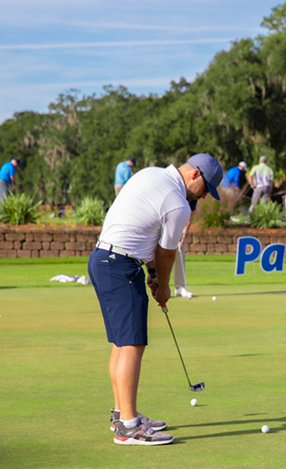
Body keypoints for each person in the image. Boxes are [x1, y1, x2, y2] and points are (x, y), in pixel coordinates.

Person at [88, 153, 223, 446]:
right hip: (120, 266)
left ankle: (123, 413)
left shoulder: (152, 174)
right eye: (206, 189)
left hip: (102, 259)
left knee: (121, 343)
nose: (203, 197)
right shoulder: (178, 203)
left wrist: (151, 274)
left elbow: (143, 234)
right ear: (196, 175)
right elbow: (165, 252)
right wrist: (163, 287)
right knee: (133, 344)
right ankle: (128, 427)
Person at [173, 200, 197, 299]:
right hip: (164, 223)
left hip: (180, 227)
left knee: (180, 252)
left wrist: (183, 234)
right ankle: (160, 287)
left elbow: (190, 215)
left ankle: (180, 287)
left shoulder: (194, 195)